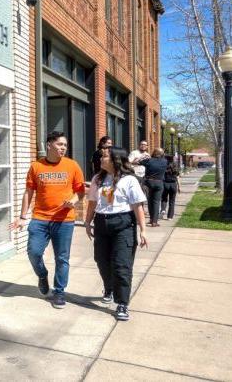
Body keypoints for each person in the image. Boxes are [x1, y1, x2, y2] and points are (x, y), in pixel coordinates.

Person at [12, 131, 86, 309]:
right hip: (40, 219)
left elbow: (81, 191)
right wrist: (23, 216)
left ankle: (59, 292)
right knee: (33, 252)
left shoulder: (72, 165)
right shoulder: (36, 167)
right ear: (49, 145)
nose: (63, 148)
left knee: (62, 258)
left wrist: (73, 201)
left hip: (64, 220)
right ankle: (42, 274)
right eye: (60, 144)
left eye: (65, 145)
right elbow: (29, 192)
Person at [84, 147, 148, 321]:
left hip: (123, 225)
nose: (101, 159)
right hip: (101, 224)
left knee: (121, 265)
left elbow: (137, 206)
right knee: (101, 260)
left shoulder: (129, 180)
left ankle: (122, 303)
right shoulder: (98, 179)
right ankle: (109, 287)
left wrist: (143, 230)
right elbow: (91, 202)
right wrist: (87, 222)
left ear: (114, 160)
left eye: (104, 157)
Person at [142, 148, 168, 227]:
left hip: (149, 182)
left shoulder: (149, 160)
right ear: (162, 154)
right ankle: (154, 221)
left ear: (153, 153)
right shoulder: (165, 161)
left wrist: (145, 157)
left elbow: (137, 162)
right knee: (156, 202)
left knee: (150, 201)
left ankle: (151, 219)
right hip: (159, 182)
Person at [160, 155, 181, 221]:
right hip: (173, 184)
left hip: (165, 184)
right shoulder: (175, 168)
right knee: (172, 201)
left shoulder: (164, 167)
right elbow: (178, 178)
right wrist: (179, 187)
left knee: (164, 198)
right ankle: (170, 217)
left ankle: (163, 209)